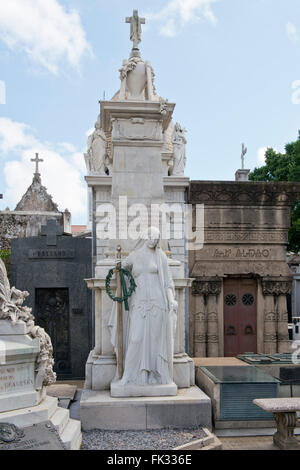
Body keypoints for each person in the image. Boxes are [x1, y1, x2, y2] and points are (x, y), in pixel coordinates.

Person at [108, 227, 178, 386]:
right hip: (138, 303)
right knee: (136, 338)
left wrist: (171, 300)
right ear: (146, 236)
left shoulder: (160, 257)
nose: (154, 240)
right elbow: (120, 272)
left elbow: (167, 283)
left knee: (154, 341)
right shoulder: (134, 256)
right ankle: (128, 376)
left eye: (157, 238)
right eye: (152, 237)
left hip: (158, 304)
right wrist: (117, 267)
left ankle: (152, 375)